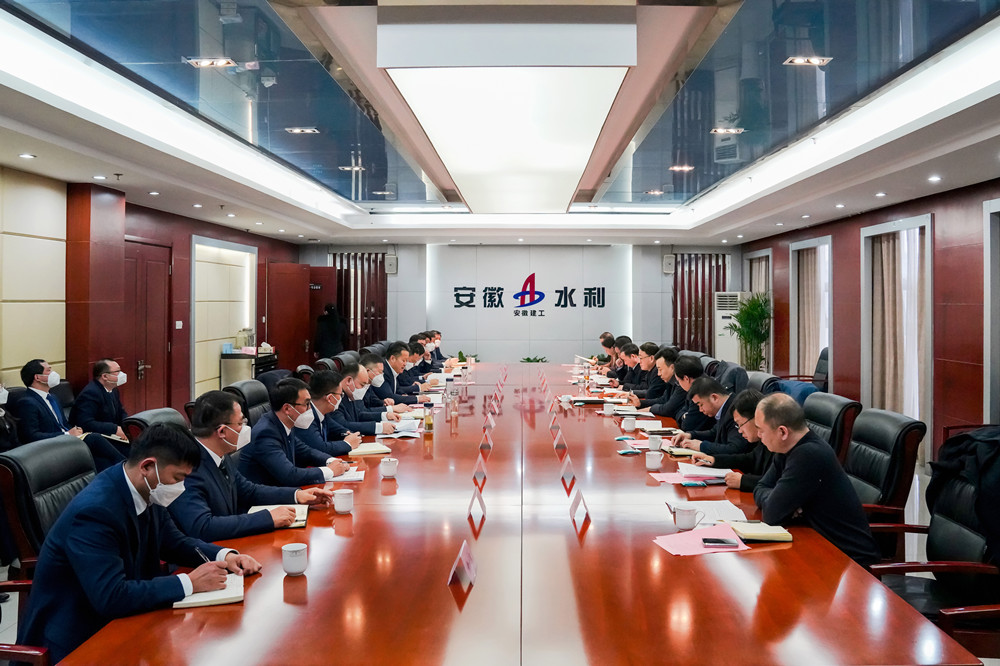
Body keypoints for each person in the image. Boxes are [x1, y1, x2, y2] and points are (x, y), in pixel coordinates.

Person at [16, 423, 262, 662]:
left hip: (126, 620)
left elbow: (173, 542)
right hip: (79, 640)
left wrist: (225, 556)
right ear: (147, 466)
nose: (181, 487)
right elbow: (111, 596)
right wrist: (190, 583)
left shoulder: (146, 487)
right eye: (178, 478)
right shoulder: (95, 512)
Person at [168, 391, 332, 541]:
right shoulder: (187, 467)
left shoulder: (220, 453)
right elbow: (203, 527)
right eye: (241, 423)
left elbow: (249, 490)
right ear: (222, 432)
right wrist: (267, 518)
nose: (246, 428)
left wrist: (297, 495)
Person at [753, 393, 880, 566]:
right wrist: (779, 500)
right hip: (819, 543)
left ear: (782, 431)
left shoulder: (808, 455)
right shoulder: (786, 448)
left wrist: (780, 502)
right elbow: (760, 487)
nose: (758, 435)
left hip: (849, 560)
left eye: (761, 429)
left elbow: (771, 514)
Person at [238, 377, 352, 487]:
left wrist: (332, 461)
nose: (310, 409)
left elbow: (306, 452)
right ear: (287, 408)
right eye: (306, 404)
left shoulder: (284, 423)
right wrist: (330, 471)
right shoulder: (265, 434)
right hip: (268, 497)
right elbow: (289, 475)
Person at [14, 359, 125, 470]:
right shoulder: (27, 402)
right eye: (49, 371)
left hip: (69, 440)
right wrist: (67, 434)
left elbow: (64, 424)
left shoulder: (53, 397)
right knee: (95, 439)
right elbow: (32, 436)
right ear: (37, 377)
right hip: (52, 446)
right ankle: (126, 467)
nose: (53, 373)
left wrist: (75, 431)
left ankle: (124, 468)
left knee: (104, 461)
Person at [691, 389, 771, 491]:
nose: (740, 431)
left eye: (740, 424)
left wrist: (744, 481)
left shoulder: (777, 444)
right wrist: (713, 460)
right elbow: (749, 459)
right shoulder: (762, 443)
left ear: (756, 418)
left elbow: (777, 483)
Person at [674, 377, 753, 455]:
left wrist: (702, 446)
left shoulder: (735, 411)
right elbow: (714, 433)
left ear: (714, 398)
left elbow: (735, 449)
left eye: (701, 405)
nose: (700, 410)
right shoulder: (726, 406)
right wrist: (691, 435)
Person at [299, 370, 363, 453]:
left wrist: (348, 435)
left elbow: (338, 430)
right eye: (340, 395)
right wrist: (347, 444)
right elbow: (321, 448)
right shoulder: (306, 416)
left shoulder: (324, 413)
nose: (341, 398)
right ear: (330, 398)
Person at [332, 363, 400, 436]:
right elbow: (343, 425)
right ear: (348, 381)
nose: (364, 389)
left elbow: (359, 415)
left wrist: (385, 415)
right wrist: (378, 428)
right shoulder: (335, 398)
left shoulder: (350, 394)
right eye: (362, 385)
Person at [70, 358, 129, 441]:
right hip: (96, 438)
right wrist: (114, 429)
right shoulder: (91, 393)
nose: (121, 374)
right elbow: (86, 423)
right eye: (117, 371)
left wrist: (128, 425)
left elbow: (121, 412)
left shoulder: (113, 389)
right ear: (105, 376)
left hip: (112, 435)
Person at [372, 342, 431, 406]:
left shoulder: (392, 370)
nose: (405, 364)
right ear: (392, 358)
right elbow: (390, 396)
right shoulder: (383, 371)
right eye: (403, 360)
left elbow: (397, 389)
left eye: (406, 361)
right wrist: (417, 399)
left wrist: (404, 395)